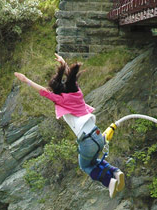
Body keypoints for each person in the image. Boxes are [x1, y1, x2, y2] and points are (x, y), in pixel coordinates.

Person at [14, 54, 125, 198]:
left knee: (85, 166)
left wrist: (26, 80)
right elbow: (71, 77)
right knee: (94, 161)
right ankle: (116, 172)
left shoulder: (59, 99)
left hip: (87, 141)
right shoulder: (77, 93)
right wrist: (64, 63)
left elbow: (43, 91)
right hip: (98, 135)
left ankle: (109, 182)